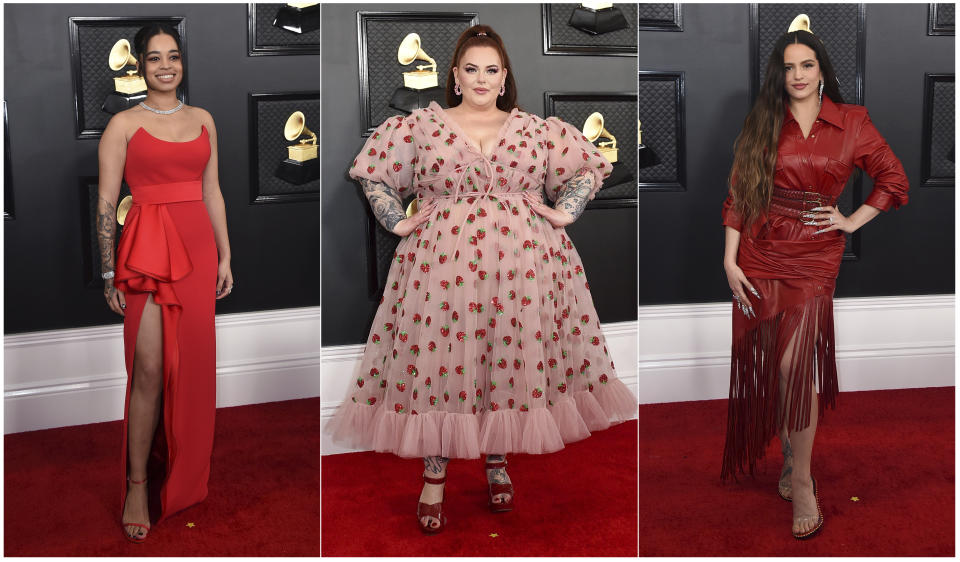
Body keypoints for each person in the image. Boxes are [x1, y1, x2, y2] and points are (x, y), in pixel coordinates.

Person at [328, 24, 636, 534]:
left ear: (504, 77)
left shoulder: (537, 129)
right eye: (471, 69)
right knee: (441, 365)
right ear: (454, 76)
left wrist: (566, 212)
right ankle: (434, 474)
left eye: (491, 70)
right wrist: (396, 220)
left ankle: (497, 458)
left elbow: (590, 167)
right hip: (441, 268)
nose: (481, 79)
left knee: (507, 355)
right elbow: (372, 172)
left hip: (526, 265)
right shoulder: (421, 128)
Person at [720, 14, 908, 539]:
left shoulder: (852, 121)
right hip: (759, 250)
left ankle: (802, 480)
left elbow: (893, 179)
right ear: (778, 75)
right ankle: (789, 459)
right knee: (779, 370)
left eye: (807, 64)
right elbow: (739, 193)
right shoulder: (763, 120)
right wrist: (729, 259)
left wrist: (850, 219)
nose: (798, 75)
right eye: (788, 67)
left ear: (822, 69)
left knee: (794, 366)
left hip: (815, 255)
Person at [97, 23, 234, 542]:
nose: (165, 66)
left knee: (192, 367)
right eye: (153, 58)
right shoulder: (123, 125)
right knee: (150, 368)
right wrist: (109, 271)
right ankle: (136, 483)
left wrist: (225, 254)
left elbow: (213, 191)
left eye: (172, 56)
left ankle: (183, 471)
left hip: (197, 248)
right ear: (140, 65)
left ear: (182, 61)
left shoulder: (204, 120)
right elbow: (108, 203)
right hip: (148, 253)